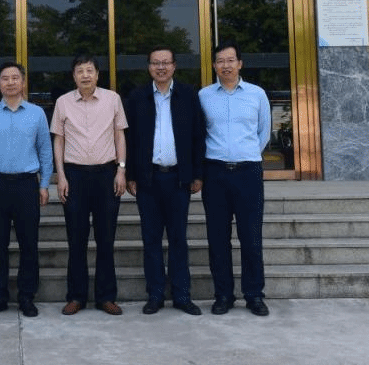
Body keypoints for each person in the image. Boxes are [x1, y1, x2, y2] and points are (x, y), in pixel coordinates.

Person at [125, 46, 206, 316]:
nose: (161, 67)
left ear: (174, 66)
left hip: (178, 179)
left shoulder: (188, 95)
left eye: (165, 63)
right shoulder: (137, 97)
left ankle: (182, 295)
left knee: (178, 239)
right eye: (155, 63)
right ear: (149, 66)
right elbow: (130, 140)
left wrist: (197, 174)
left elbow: (198, 136)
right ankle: (155, 294)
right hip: (147, 180)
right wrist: (131, 175)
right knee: (151, 240)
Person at [50, 53, 128, 316]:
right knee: (76, 239)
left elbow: (119, 135)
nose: (85, 75)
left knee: (106, 238)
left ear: (97, 74)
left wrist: (121, 170)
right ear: (74, 76)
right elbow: (59, 140)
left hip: (106, 175)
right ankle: (76, 296)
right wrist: (61, 175)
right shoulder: (62, 102)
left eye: (89, 70)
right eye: (80, 71)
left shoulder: (112, 99)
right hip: (74, 176)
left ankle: (106, 297)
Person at [198, 42, 272, 317]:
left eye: (230, 60)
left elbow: (264, 132)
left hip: (248, 172)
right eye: (220, 61)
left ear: (240, 63)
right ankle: (223, 295)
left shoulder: (257, 94)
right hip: (215, 172)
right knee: (218, 238)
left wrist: (246, 154)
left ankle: (254, 295)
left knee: (251, 237)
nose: (226, 65)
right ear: (214, 65)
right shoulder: (204, 95)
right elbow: (200, 133)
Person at [0, 62, 53, 318]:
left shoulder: (37, 114)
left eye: (15, 78)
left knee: (29, 243)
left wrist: (44, 184)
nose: (10, 82)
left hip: (26, 185)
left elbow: (45, 150)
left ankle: (27, 296)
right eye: (5, 78)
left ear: (23, 82)